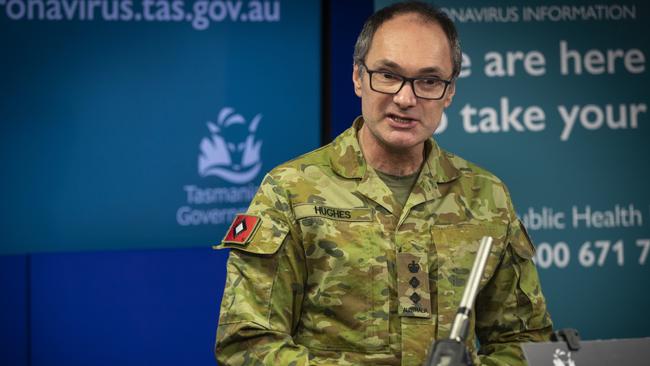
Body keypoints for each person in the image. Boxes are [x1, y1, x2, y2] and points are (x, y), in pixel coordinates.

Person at [214, 2, 553, 365]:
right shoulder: (290, 191)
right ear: (358, 77)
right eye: (388, 75)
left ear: (450, 91)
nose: (406, 99)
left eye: (428, 81)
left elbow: (528, 343)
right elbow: (246, 345)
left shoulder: (487, 196)